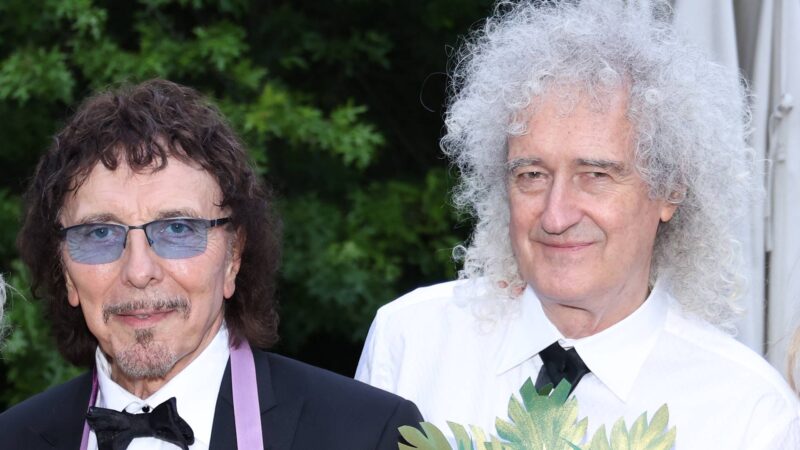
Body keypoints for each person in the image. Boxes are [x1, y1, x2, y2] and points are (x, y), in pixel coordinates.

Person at [356, 0, 800, 447]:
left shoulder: (748, 413)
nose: (556, 215)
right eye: (531, 175)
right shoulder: (411, 341)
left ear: (670, 190)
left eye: (596, 176)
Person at [0, 79, 422, 450]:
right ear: (65, 270)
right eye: (99, 234)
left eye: (177, 229)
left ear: (234, 255)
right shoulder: (12, 438)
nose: (138, 271)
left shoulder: (367, 435)